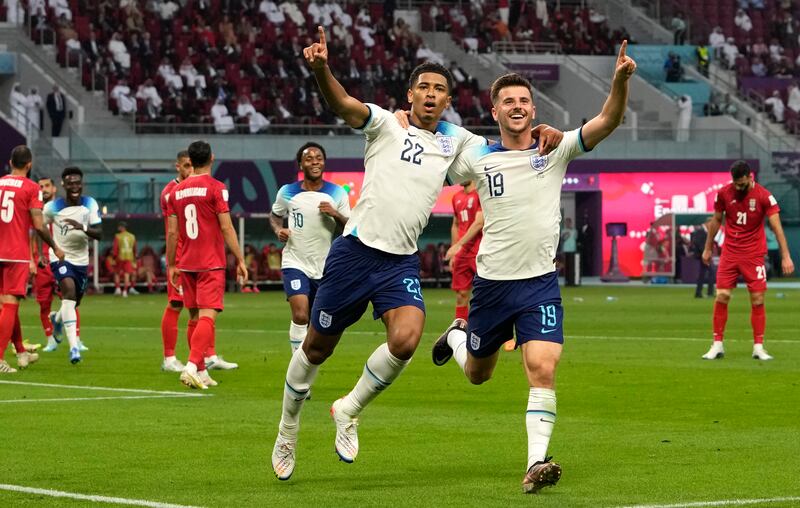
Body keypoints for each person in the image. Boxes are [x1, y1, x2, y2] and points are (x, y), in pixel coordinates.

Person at [271, 26, 563, 481]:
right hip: (354, 252)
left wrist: (543, 131)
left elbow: (508, 149)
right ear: (409, 95)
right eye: (423, 88)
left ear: (448, 101)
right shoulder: (386, 123)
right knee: (316, 346)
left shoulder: (458, 144)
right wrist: (322, 70)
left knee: (407, 339)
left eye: (440, 90)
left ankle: (348, 409)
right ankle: (288, 427)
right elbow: (344, 105)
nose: (431, 95)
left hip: (399, 261)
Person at [431, 41, 636, 494]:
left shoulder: (556, 148)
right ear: (496, 109)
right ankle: (458, 335)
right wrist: (407, 119)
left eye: (524, 100)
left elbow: (607, 122)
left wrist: (619, 82)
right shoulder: (476, 158)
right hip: (490, 287)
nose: (518, 106)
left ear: (533, 107)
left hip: (539, 285)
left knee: (542, 367)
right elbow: (430, 139)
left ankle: (535, 463)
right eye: (509, 101)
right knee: (477, 375)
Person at [166, 141, 247, 389]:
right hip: (210, 263)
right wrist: (240, 259)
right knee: (208, 316)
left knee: (193, 316)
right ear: (212, 157)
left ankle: (201, 372)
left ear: (191, 159)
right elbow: (226, 226)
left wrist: (171, 264)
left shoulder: (176, 191)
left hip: (187, 262)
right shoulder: (216, 188)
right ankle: (191, 367)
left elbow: (172, 232)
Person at [701, 160, 795, 361]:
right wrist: (708, 248)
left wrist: (786, 256)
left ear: (750, 178)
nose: (739, 188)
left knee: (758, 299)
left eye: (742, 184)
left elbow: (777, 227)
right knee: (722, 296)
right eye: (736, 184)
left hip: (753, 254)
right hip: (730, 252)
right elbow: (717, 220)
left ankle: (758, 347)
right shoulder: (724, 193)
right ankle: (717, 344)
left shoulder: (764, 196)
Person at [270, 142, 350, 357]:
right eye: (309, 158)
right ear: (300, 165)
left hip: (324, 267)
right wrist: (279, 229)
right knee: (300, 314)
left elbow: (349, 227)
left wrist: (335, 214)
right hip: (294, 262)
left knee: (316, 322)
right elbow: (275, 215)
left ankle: (306, 363)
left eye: (318, 157)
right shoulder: (287, 192)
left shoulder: (337, 193)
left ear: (324, 162)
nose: (315, 161)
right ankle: (296, 364)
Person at [0, 146, 64, 373]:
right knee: (10, 304)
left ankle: (20, 351)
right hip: (14, 253)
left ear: (10, 162)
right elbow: (38, 225)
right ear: (29, 165)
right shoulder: (31, 187)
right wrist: (54, 246)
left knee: (7, 304)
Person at [43, 166, 102, 364]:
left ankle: (57, 319)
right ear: (63, 185)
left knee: (74, 301)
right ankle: (74, 348)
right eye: (70, 183)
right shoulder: (52, 207)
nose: (74, 186)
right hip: (60, 257)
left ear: (81, 184)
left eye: (77, 183)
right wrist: (51, 247)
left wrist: (82, 227)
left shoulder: (90, 204)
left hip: (81, 261)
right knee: (68, 291)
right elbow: (39, 226)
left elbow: (100, 233)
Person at [444, 179, 492, 340]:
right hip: (462, 254)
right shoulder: (456, 197)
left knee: (490, 293)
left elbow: (479, 223)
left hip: (480, 251)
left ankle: (501, 334)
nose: (459, 176)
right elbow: (455, 225)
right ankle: (460, 332)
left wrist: (458, 245)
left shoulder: (480, 194)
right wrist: (454, 251)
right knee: (461, 294)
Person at [159, 151, 193, 372]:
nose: (189, 170)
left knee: (201, 307)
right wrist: (173, 262)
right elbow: (173, 231)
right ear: (177, 166)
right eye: (186, 165)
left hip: (196, 255)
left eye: (192, 165)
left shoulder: (195, 188)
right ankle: (169, 358)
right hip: (180, 255)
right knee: (176, 303)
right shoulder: (170, 193)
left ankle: (206, 356)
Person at [33, 178, 60, 352]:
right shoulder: (35, 210)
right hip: (43, 264)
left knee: (70, 300)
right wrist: (31, 260)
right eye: (41, 187)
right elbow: (31, 236)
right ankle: (50, 339)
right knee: (43, 304)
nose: (44, 189)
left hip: (60, 260)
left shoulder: (63, 209)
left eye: (47, 186)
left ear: (54, 188)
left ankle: (75, 338)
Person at [690, 218, 714, 298]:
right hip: (703, 256)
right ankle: (709, 293)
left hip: (703, 256)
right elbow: (700, 244)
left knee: (702, 274)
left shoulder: (704, 232)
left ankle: (698, 293)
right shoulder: (701, 232)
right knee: (711, 272)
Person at [112, 222, 137, 297]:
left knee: (117, 273)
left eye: (119, 226)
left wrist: (114, 257)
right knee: (127, 274)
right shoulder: (132, 236)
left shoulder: (118, 236)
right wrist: (134, 257)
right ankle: (125, 291)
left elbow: (115, 249)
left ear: (122, 227)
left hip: (120, 257)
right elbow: (135, 249)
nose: (118, 228)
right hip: (129, 257)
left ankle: (118, 289)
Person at [561, 217, 578, 286]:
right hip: (566, 249)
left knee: (573, 264)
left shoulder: (574, 231)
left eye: (568, 222)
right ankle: (566, 279)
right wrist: (566, 234)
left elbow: (576, 238)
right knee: (566, 264)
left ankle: (572, 279)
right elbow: (563, 239)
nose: (567, 224)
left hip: (573, 249)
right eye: (566, 222)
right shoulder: (563, 231)